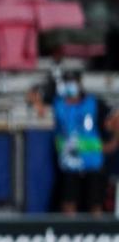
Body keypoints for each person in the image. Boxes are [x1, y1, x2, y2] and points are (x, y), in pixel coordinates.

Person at [46, 70, 113, 216]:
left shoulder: (93, 103)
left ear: (79, 83)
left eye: (73, 82)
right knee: (68, 202)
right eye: (67, 82)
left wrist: (113, 143)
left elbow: (113, 118)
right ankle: (69, 235)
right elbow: (38, 102)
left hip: (92, 161)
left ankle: (97, 235)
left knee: (95, 203)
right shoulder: (58, 103)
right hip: (69, 162)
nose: (70, 86)